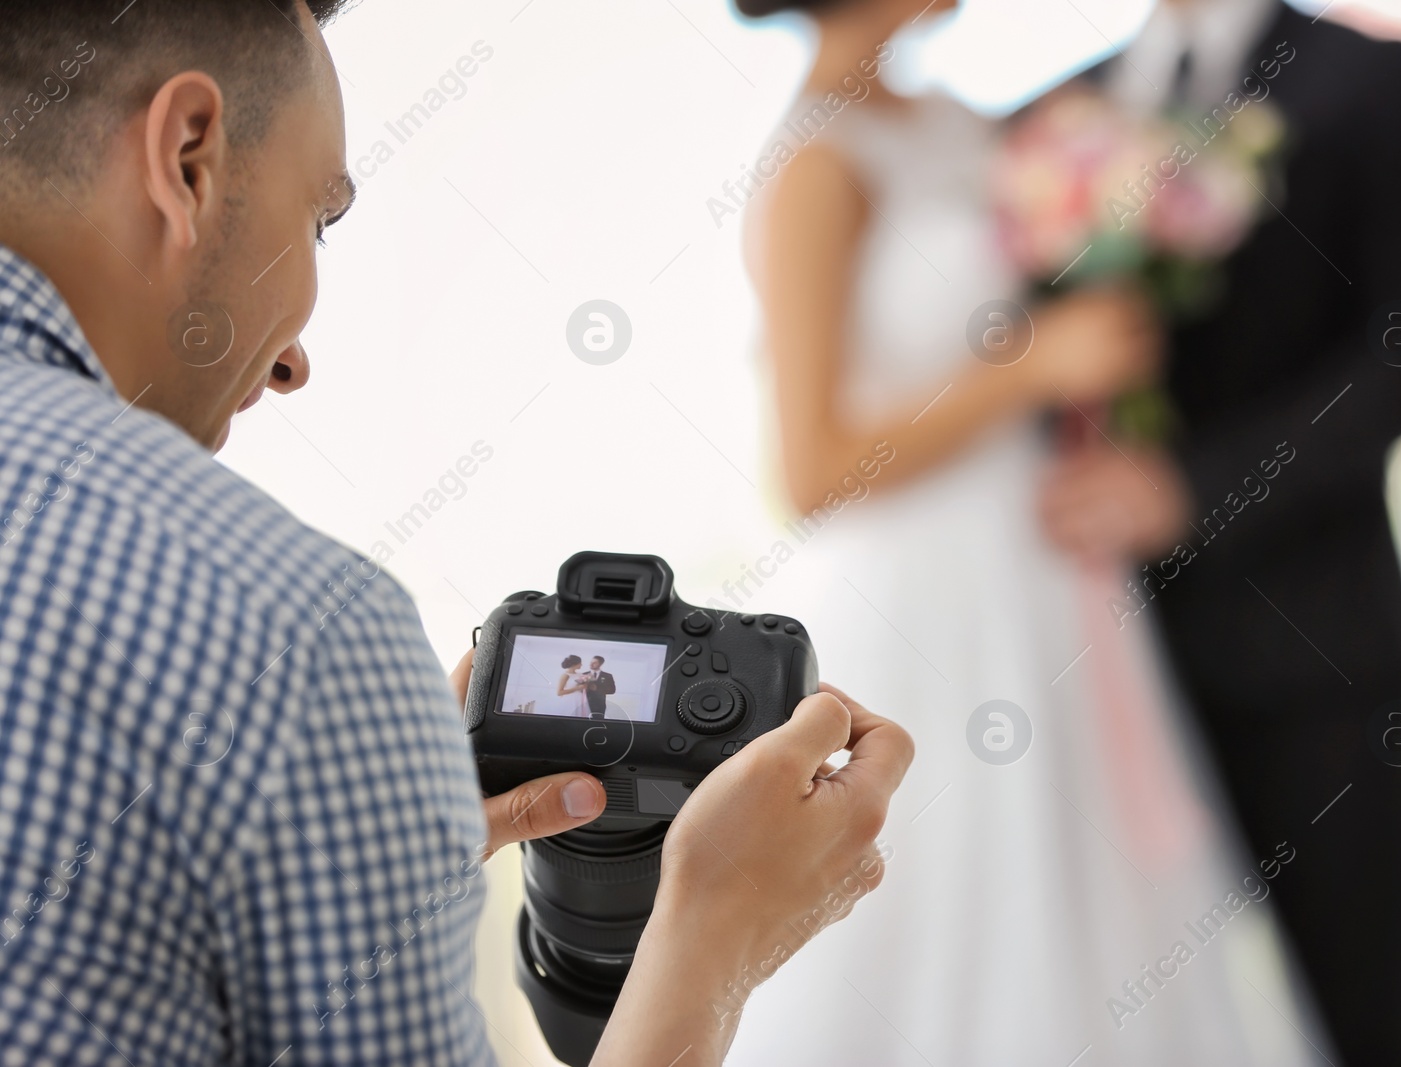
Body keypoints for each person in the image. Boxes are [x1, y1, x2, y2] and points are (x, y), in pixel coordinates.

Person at [0, 3, 913, 1066]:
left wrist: (347, 855)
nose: (294, 360)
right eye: (318, 220)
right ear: (188, 156)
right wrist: (714, 945)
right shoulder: (294, 630)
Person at [731, 0, 1318, 1063]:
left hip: (1050, 567)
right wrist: (1032, 367)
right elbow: (811, 467)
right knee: (962, 896)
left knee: (1097, 898)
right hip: (925, 601)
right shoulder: (814, 164)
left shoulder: (964, 123)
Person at [1033, 1, 1401, 1063]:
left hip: (1311, 647)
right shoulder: (1056, 116)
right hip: (1086, 653)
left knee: (1363, 1007)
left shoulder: (1378, 80)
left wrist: (1192, 486)